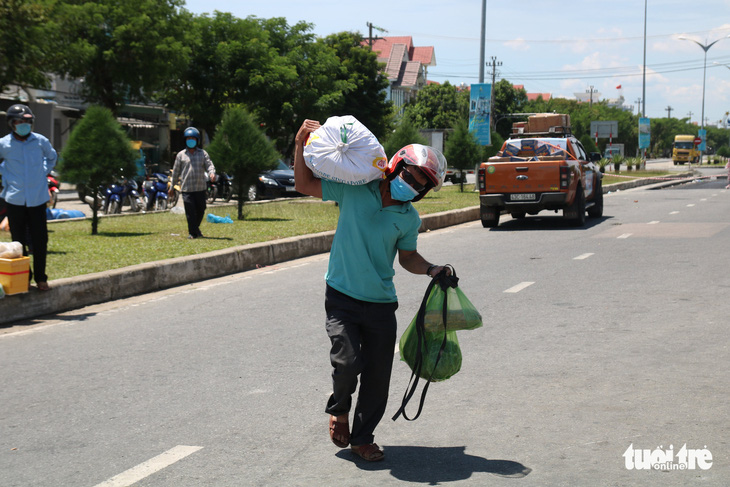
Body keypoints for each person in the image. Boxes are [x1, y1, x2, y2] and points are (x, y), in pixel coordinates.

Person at [294, 119, 451, 462]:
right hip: (342, 295)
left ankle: (363, 438)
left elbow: (407, 257)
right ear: (395, 168)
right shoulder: (354, 189)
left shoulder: (408, 219)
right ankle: (340, 409)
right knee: (347, 361)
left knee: (378, 377)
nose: (412, 186)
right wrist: (299, 144)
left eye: (420, 185)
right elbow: (304, 183)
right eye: (409, 176)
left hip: (381, 304)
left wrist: (431, 269)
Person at [0, 104, 57, 291]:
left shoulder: (40, 141)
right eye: (19, 121)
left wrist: (43, 172)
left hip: (38, 199)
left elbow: (52, 157)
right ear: (11, 124)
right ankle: (25, 277)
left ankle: (41, 278)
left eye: (27, 121)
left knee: (40, 239)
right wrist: (5, 176)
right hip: (15, 199)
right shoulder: (4, 144)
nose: (23, 124)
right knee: (18, 242)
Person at [169, 127, 216, 239]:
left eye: (193, 138)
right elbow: (175, 172)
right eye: (188, 138)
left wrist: (212, 173)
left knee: (201, 209)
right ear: (185, 140)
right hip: (187, 189)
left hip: (200, 188)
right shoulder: (181, 155)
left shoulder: (203, 154)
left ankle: (196, 229)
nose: (190, 140)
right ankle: (192, 233)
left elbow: (209, 165)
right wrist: (171, 187)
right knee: (190, 212)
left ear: (197, 140)